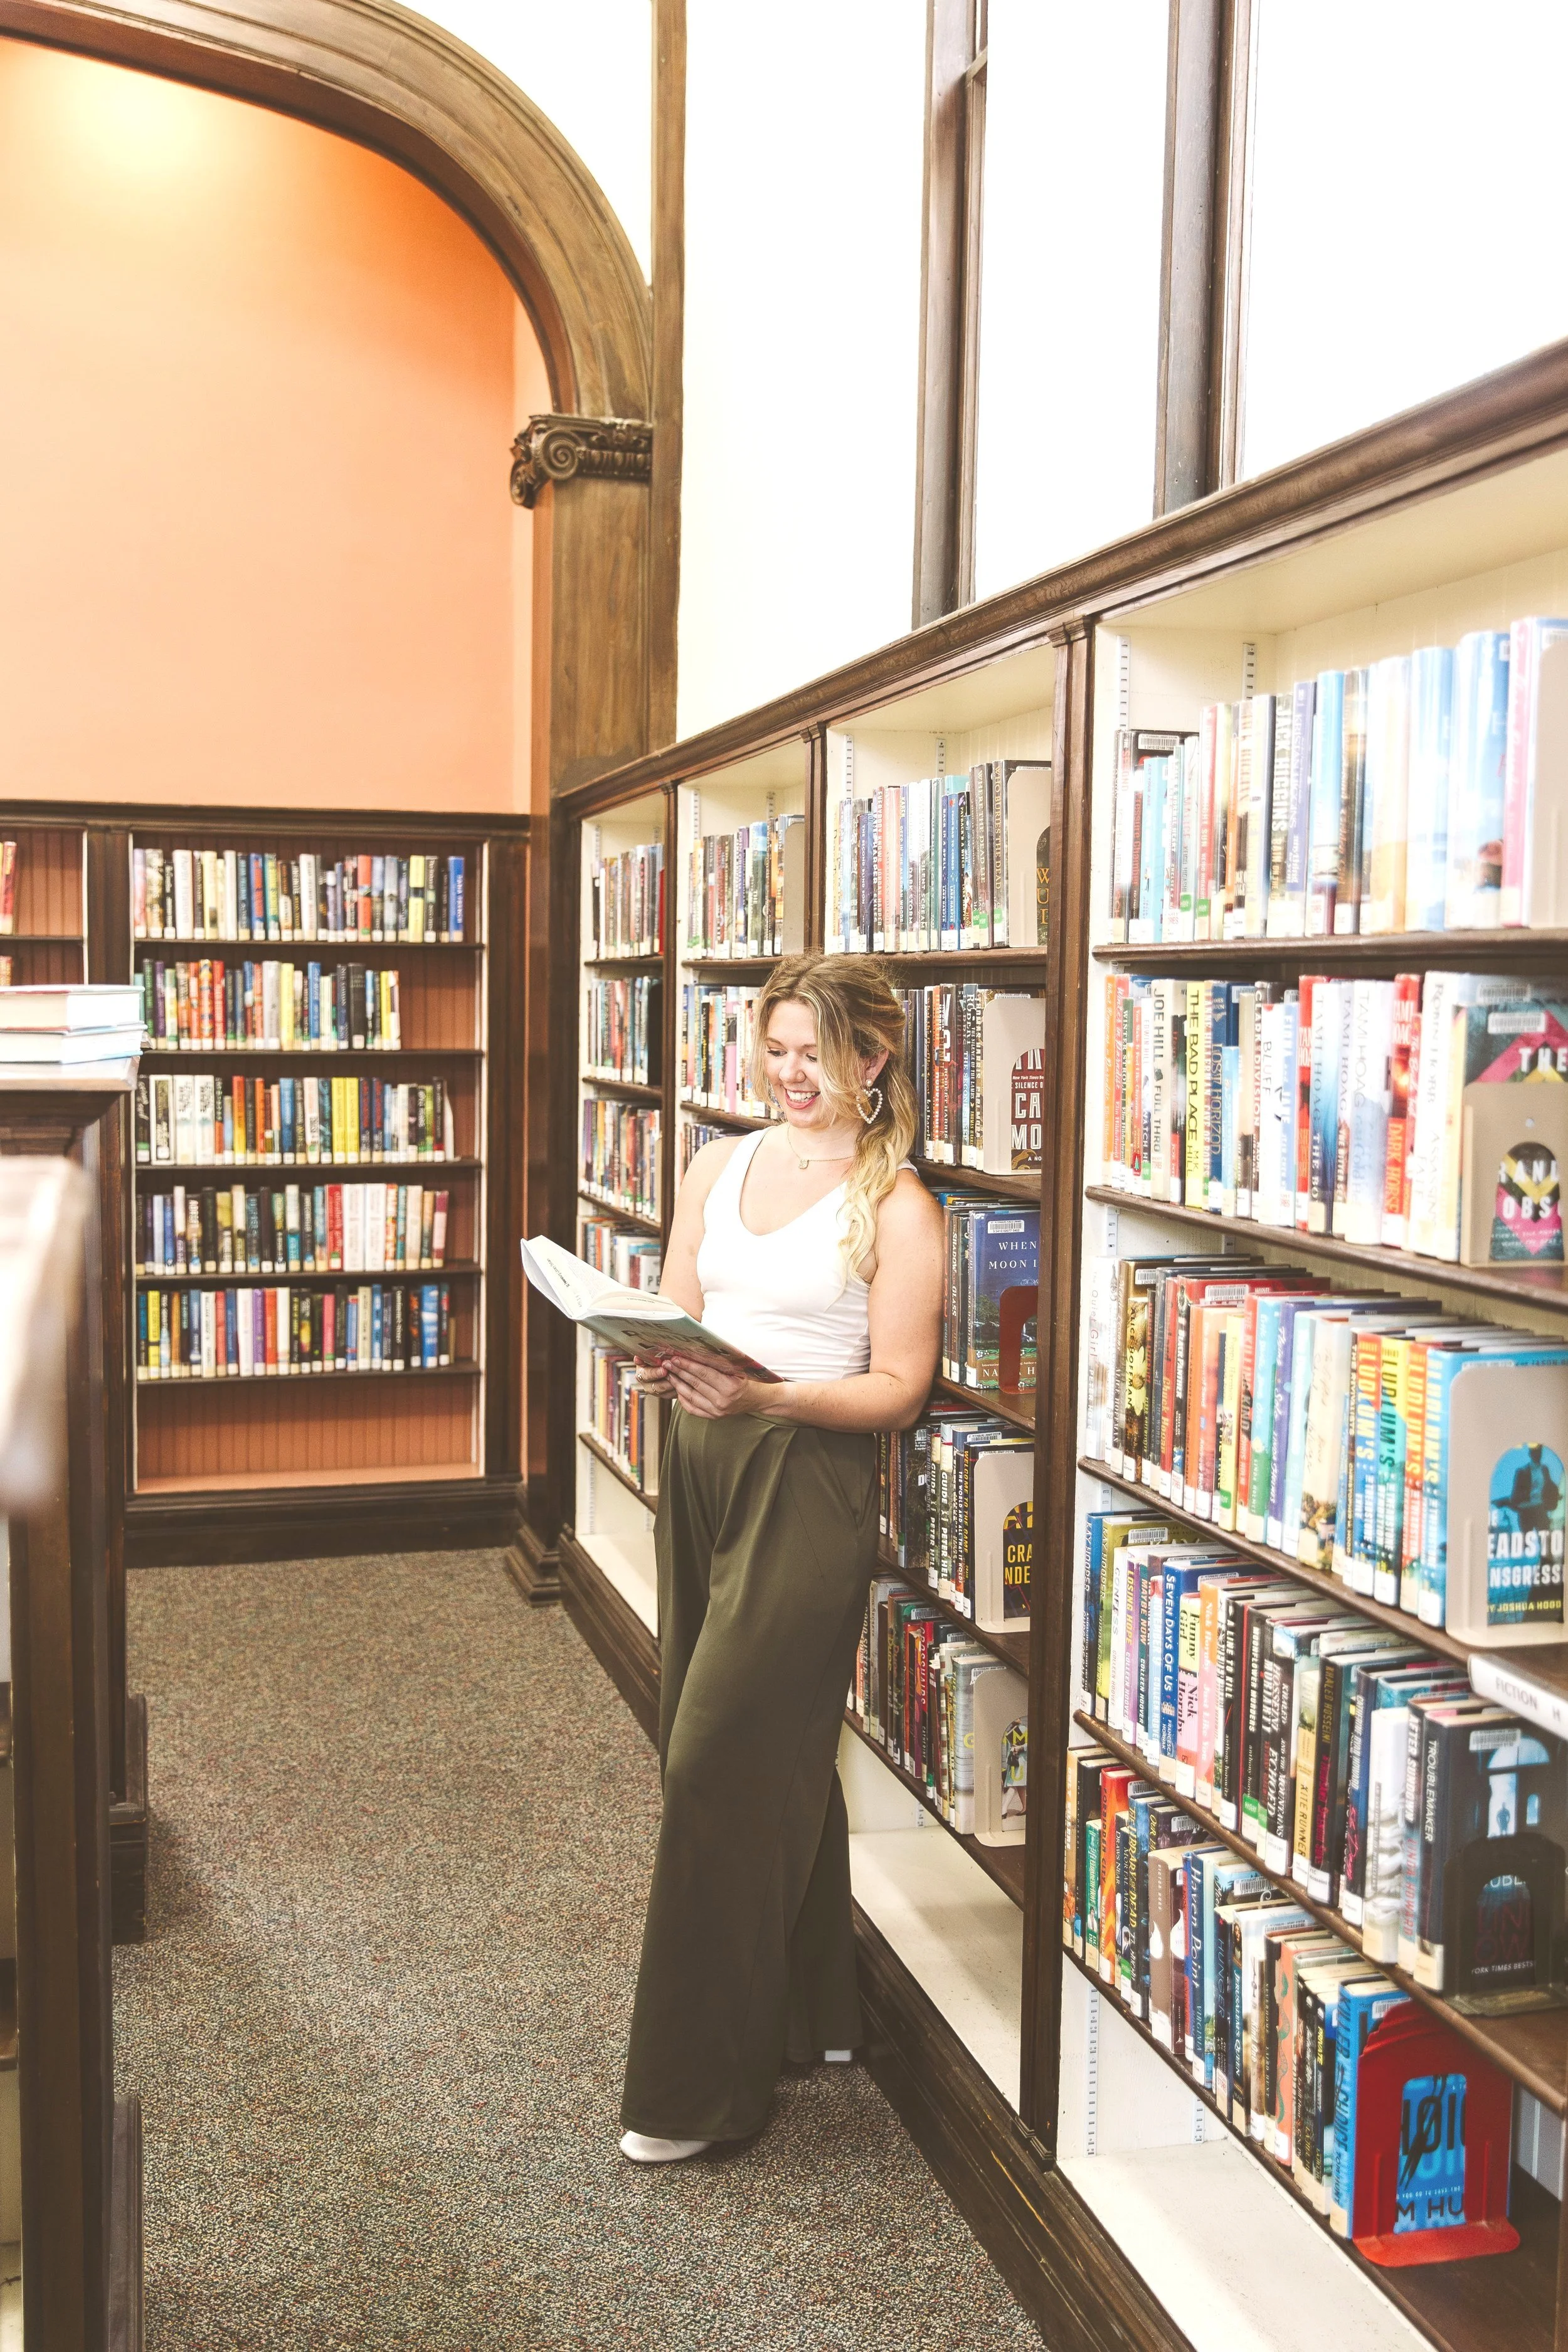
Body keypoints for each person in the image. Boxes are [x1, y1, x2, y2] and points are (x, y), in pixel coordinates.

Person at [617, 953, 943, 2163]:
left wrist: (765, 1394)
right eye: (777, 1046)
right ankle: (812, 2008)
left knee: (717, 1763)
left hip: (802, 1475)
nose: (791, 1072)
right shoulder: (718, 1160)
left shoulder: (898, 1202)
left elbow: (900, 1388)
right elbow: (673, 1296)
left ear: (872, 1060)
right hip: (697, 1465)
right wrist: (659, 1352)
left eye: (818, 1051)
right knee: (728, 1746)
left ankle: (693, 2092)